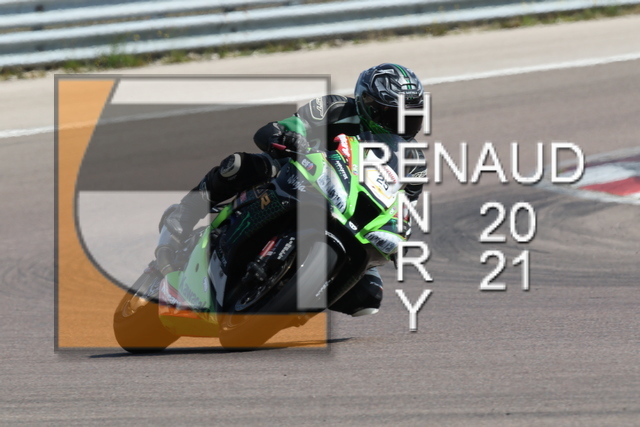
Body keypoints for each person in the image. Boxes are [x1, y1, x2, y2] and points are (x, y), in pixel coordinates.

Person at [160, 63, 425, 317]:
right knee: (241, 165)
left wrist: (400, 237)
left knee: (368, 297)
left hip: (352, 216)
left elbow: (403, 207)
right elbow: (275, 129)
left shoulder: (413, 160)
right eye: (394, 114)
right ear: (368, 103)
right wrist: (285, 136)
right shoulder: (335, 108)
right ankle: (186, 212)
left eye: (412, 116)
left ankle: (290, 295)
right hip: (301, 173)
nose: (403, 123)